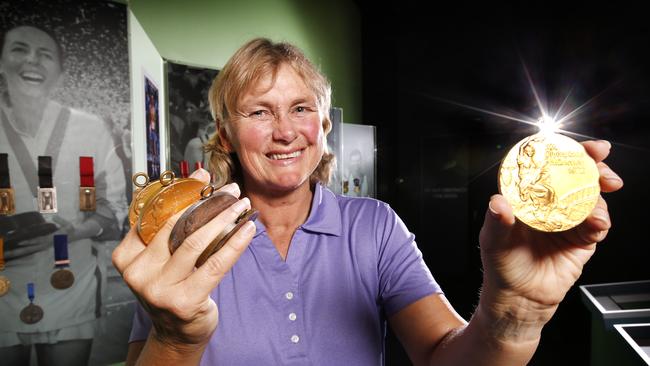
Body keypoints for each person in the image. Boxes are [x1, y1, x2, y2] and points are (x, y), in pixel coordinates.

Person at [113, 38, 623, 365]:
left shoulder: (375, 226)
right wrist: (177, 341)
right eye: (259, 113)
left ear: (324, 127)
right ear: (225, 136)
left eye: (300, 108)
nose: (286, 130)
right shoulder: (185, 236)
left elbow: (444, 357)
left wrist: (513, 316)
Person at [0, 24, 127, 365]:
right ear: (1, 61)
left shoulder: (89, 128)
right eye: (19, 49)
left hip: (71, 282)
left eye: (45, 55)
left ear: (59, 72)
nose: (32, 60)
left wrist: (74, 231)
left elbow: (114, 210)